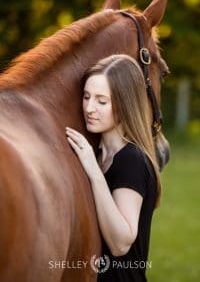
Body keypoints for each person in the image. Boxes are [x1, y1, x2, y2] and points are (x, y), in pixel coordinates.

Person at [65, 54, 161, 282]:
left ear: (125, 103)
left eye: (101, 101)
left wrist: (95, 174)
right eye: (86, 97)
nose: (89, 108)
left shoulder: (131, 160)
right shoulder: (97, 154)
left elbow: (121, 244)